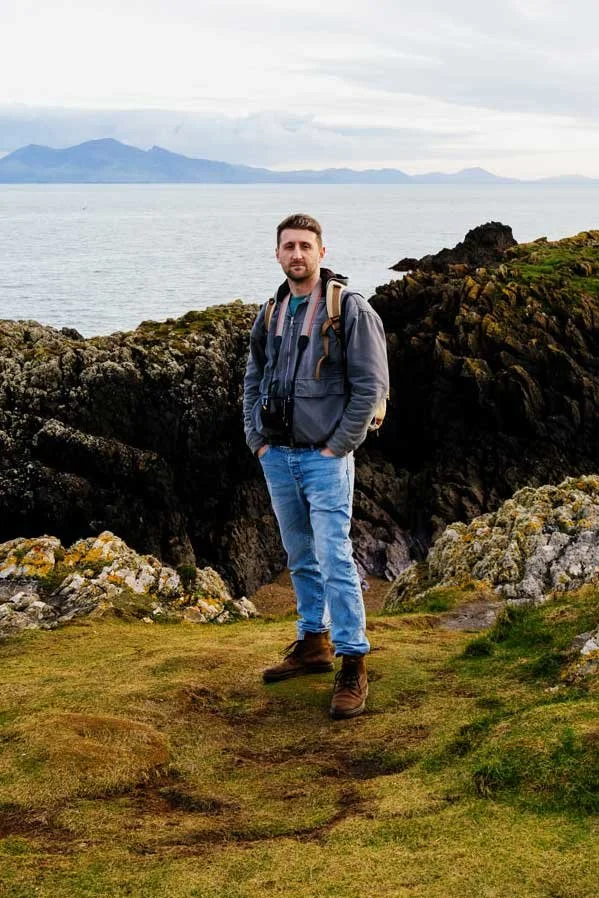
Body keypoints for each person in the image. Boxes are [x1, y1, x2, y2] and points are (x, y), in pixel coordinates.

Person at [243, 213, 389, 719]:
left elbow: (371, 387)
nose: (297, 254)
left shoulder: (350, 309)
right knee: (300, 554)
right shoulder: (271, 311)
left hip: (325, 458)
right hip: (278, 456)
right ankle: (312, 643)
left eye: (306, 246)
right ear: (277, 254)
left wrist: (337, 447)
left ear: (321, 253)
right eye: (289, 246)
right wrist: (257, 440)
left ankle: (353, 660)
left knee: (333, 555)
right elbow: (253, 377)